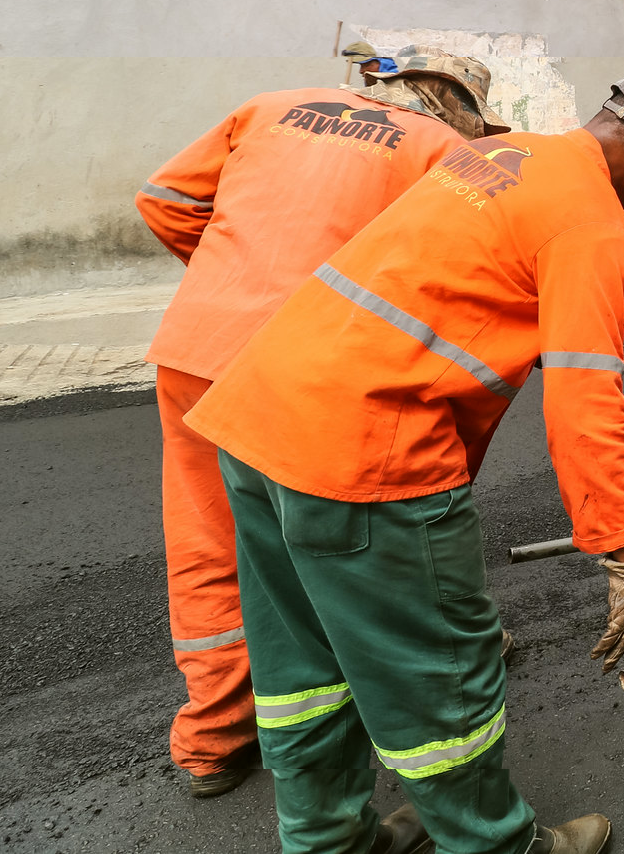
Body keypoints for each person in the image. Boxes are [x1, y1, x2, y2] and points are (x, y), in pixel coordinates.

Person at [184, 76, 624, 854]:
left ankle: (330, 841)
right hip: (363, 450)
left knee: (303, 668)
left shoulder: (499, 153)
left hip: (257, 417)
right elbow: (584, 402)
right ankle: (498, 845)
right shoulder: (591, 220)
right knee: (442, 671)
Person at [133, 55, 493, 799]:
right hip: (311, 369)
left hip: (195, 351)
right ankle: (368, 685)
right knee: (331, 535)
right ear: (457, 108)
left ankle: (212, 738)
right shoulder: (442, 152)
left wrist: (231, 281)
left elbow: (163, 198)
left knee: (209, 542)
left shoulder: (270, 105)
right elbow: (448, 273)